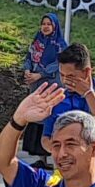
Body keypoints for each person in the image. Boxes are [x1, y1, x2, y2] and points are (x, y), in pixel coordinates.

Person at [45, 43, 95, 175]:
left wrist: (88, 94)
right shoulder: (58, 97)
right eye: (61, 75)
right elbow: (46, 138)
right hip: (64, 174)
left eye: (70, 76)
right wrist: (62, 150)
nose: (65, 81)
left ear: (87, 72)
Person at [21, 15, 69, 158]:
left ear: (55, 27)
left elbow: (58, 63)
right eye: (43, 24)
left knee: (48, 117)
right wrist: (27, 71)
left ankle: (50, 156)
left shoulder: (60, 45)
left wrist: (40, 74)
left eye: (49, 24)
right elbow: (29, 57)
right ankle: (40, 157)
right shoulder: (37, 41)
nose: (46, 27)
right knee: (36, 116)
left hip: (51, 85)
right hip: (36, 85)